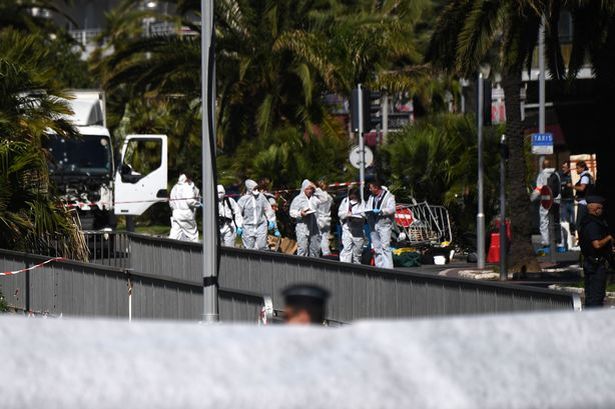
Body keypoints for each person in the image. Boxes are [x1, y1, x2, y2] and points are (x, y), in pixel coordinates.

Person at [579, 196, 613, 308]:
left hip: (590, 263)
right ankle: (594, 323)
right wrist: (608, 238)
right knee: (596, 297)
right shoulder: (592, 224)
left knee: (591, 296)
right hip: (596, 265)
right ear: (596, 208)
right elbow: (597, 244)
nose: (602, 211)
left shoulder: (585, 221)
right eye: (601, 208)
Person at [531, 159, 564, 253]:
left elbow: (539, 189)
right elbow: (559, 187)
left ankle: (546, 243)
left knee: (544, 222)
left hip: (545, 201)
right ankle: (559, 244)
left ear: (542, 166)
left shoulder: (541, 175)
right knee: (557, 221)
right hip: (556, 200)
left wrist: (531, 198)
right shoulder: (556, 174)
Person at [237, 179, 277, 250]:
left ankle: (262, 260)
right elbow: (238, 213)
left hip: (261, 225)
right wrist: (239, 226)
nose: (256, 190)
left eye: (256, 188)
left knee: (262, 246)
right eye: (254, 188)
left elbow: (267, 208)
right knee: (249, 248)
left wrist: (271, 220)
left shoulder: (261, 197)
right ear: (249, 189)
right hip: (248, 226)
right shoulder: (243, 199)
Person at [289, 179, 326, 257]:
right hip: (302, 227)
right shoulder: (298, 199)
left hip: (314, 227)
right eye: (307, 189)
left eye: (311, 189)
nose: (309, 191)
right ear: (303, 189)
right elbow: (292, 212)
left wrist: (315, 188)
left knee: (315, 249)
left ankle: (314, 266)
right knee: (303, 249)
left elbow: (324, 198)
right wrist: (300, 213)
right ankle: (301, 267)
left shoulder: (315, 198)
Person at [365, 179, 396, 268]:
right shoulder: (371, 197)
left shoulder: (389, 196)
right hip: (373, 224)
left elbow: (392, 209)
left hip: (384, 224)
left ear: (376, 188)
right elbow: (368, 207)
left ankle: (388, 268)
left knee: (385, 246)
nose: (370, 190)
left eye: (371, 188)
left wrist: (381, 211)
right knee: (376, 247)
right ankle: (379, 267)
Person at [168, 173, 200, 242]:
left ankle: (168, 249)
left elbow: (171, 203)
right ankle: (196, 251)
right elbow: (190, 201)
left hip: (176, 214)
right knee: (192, 235)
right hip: (186, 214)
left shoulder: (174, 187)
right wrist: (198, 204)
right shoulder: (187, 187)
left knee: (174, 235)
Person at [338, 187, 366, 264]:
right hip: (347, 227)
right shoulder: (345, 201)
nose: (353, 197)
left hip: (358, 229)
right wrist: (347, 214)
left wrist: (357, 216)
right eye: (351, 195)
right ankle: (345, 266)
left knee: (357, 251)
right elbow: (340, 213)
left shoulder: (362, 203)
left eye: (354, 195)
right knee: (346, 249)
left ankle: (357, 266)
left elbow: (364, 214)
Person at [572, 160, 594, 232]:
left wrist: (572, 186)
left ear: (583, 168)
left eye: (578, 168)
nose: (576, 170)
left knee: (580, 224)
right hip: (585, 202)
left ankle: (582, 241)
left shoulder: (585, 177)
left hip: (584, 203)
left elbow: (582, 188)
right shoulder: (587, 176)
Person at [315, 179, 334, 256]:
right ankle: (326, 253)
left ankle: (320, 253)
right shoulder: (330, 197)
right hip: (327, 219)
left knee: (318, 237)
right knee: (325, 237)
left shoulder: (318, 197)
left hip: (319, 219)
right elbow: (332, 204)